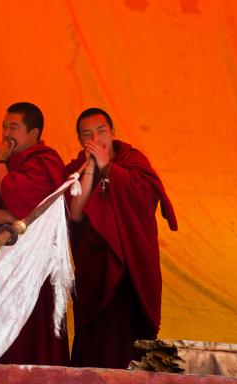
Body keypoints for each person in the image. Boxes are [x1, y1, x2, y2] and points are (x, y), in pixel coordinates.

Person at [65, 107, 178, 369]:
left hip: (132, 273)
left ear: (113, 132)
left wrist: (110, 168)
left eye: (101, 131)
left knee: (132, 348)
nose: (96, 138)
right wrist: (93, 168)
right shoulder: (76, 169)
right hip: (96, 275)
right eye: (87, 134)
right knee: (95, 349)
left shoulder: (134, 160)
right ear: (81, 140)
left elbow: (144, 201)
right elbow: (74, 214)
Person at [0, 102, 69, 366]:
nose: (6, 134)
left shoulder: (46, 161)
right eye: (4, 126)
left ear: (33, 133)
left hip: (32, 267)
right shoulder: (2, 165)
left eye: (13, 127)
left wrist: (1, 164)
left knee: (31, 336)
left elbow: (18, 200)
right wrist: (6, 217)